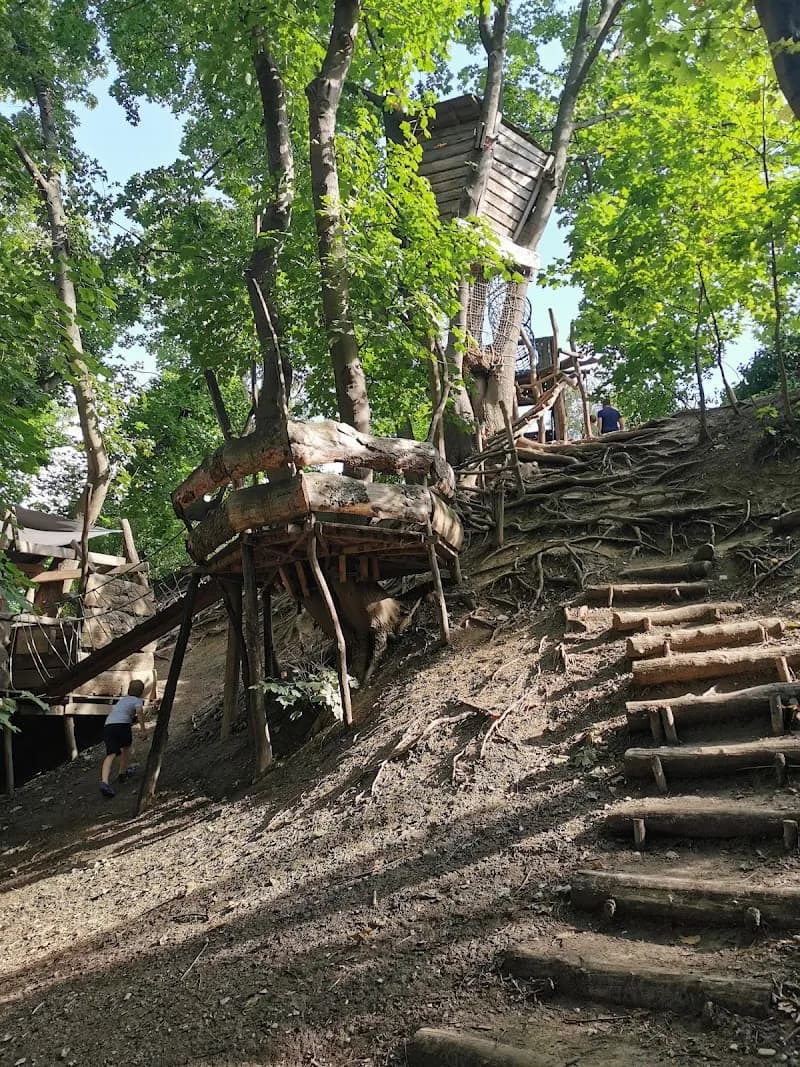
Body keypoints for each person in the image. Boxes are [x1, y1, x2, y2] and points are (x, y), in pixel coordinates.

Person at [100, 679, 149, 798]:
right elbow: (139, 713)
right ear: (141, 692)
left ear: (128, 690)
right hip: (123, 725)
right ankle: (122, 772)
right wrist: (143, 729)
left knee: (110, 754)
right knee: (126, 747)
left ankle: (104, 782)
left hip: (108, 726)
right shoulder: (137, 700)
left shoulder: (122, 701)